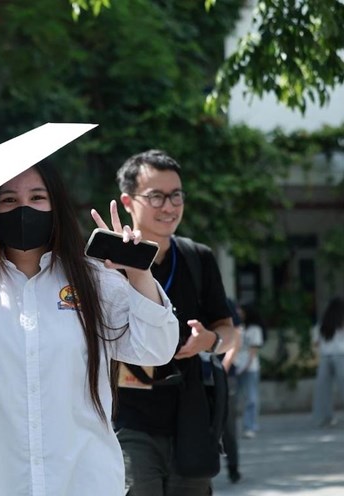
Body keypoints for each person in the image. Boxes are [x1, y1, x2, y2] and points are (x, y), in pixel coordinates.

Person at [0, 162, 179, 495]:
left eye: (37, 197)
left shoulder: (94, 280)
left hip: (85, 480)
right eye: (9, 200)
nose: (24, 208)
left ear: (56, 205)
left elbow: (156, 348)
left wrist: (138, 273)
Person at [113, 149, 236, 496]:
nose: (169, 206)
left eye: (176, 195)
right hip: (127, 419)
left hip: (191, 419)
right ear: (128, 201)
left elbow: (228, 333)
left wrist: (209, 341)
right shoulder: (109, 262)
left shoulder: (198, 258)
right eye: (156, 196)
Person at [311, 295, 344, 427]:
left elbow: (316, 343)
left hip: (325, 357)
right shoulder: (341, 322)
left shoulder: (323, 324)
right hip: (341, 356)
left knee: (323, 389)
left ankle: (326, 417)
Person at [221, 298, 244, 483]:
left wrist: (223, 367)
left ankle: (233, 467)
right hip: (194, 376)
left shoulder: (224, 302)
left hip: (224, 375)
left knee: (228, 426)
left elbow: (237, 336)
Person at [235, 303, 265, 438]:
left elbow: (253, 351)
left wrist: (244, 367)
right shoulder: (238, 328)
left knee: (251, 398)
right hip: (236, 366)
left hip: (250, 368)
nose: (239, 313)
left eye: (241, 311)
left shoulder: (255, 329)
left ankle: (250, 425)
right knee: (235, 398)